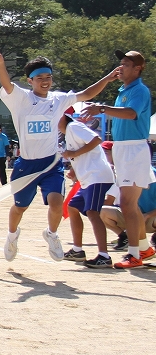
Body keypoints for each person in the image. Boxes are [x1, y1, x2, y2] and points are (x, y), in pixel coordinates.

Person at [0, 44, 121, 262]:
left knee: (57, 204)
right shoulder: (21, 98)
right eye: (39, 77)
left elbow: (86, 94)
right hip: (26, 165)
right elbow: (7, 85)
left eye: (48, 77)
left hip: (51, 164)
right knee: (20, 207)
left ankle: (51, 234)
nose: (45, 81)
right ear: (30, 81)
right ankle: (12, 236)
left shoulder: (58, 99)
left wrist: (107, 78)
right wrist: (1, 64)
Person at [80, 50, 156, 269]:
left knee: (128, 204)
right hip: (124, 149)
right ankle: (143, 248)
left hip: (133, 148)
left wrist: (102, 108)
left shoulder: (139, 90)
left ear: (138, 69)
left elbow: (131, 113)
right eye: (121, 63)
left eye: (126, 64)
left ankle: (135, 254)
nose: (121, 67)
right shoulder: (125, 90)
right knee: (129, 204)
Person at [58, 112, 115, 267]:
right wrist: (74, 169)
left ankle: (104, 255)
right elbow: (83, 153)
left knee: (92, 212)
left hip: (96, 176)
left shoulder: (73, 126)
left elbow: (96, 140)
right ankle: (77, 250)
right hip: (88, 179)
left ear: (62, 117)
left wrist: (73, 154)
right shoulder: (69, 132)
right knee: (72, 207)